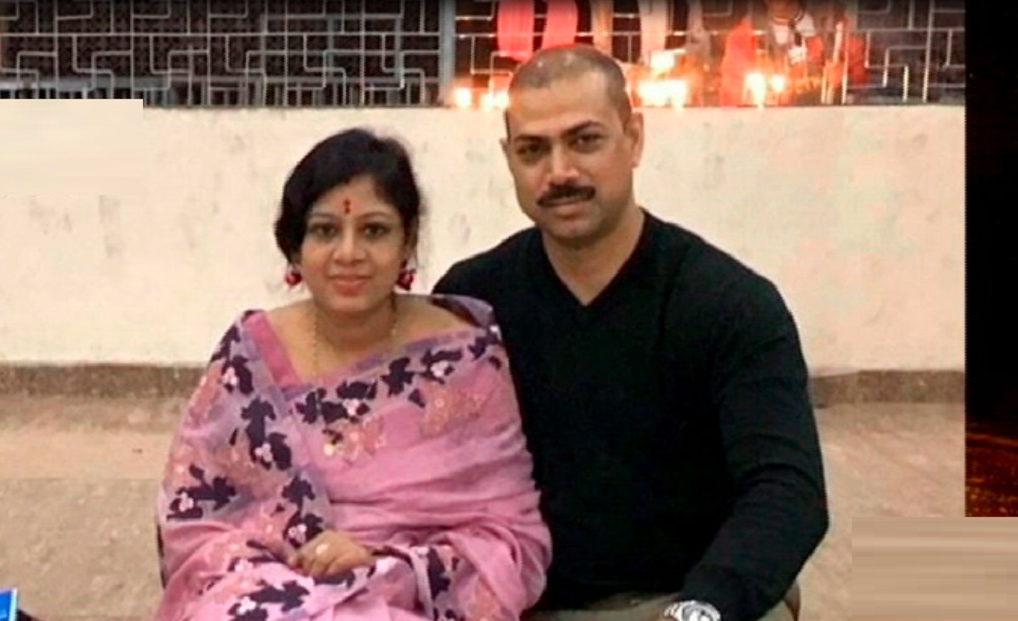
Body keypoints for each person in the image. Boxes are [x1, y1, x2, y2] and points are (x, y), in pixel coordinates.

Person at [432, 45, 828, 621]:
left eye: (585, 140)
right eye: (533, 150)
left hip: (682, 598)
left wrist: (702, 608)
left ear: (634, 138)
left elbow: (786, 490)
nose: (560, 172)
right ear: (508, 158)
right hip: (515, 603)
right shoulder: (472, 304)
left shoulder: (729, 304)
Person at [153, 128, 551, 621]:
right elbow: (194, 519)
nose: (348, 254)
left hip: (406, 598)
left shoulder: (464, 357)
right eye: (325, 231)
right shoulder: (251, 354)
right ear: (294, 247)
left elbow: (510, 538)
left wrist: (382, 563)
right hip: (266, 592)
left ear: (407, 243)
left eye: (374, 231)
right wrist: (302, 569)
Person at [719, 0, 867, 106]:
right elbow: (731, 97)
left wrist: (845, 78)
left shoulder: (836, 27)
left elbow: (864, 81)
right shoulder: (743, 38)